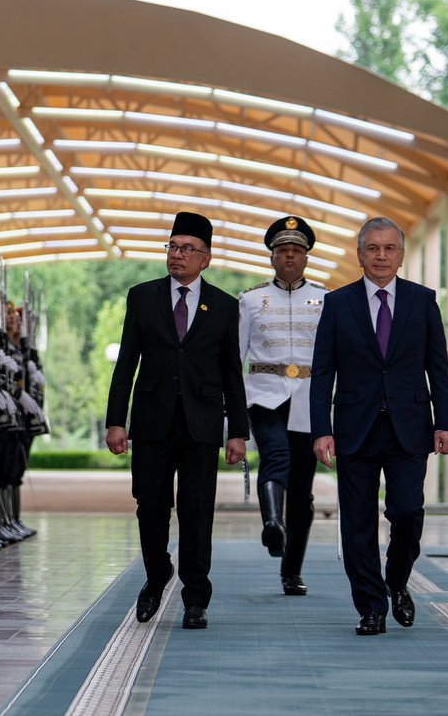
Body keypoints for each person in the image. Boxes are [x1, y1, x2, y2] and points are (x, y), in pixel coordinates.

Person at [310, 216, 448, 636]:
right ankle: (371, 607)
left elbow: (438, 368)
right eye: (372, 248)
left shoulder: (422, 301)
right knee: (357, 522)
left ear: (401, 254)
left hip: (410, 425)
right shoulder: (338, 304)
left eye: (389, 248)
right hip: (354, 427)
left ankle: (396, 583)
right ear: (360, 254)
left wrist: (444, 422)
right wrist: (322, 429)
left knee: (408, 512)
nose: (380, 256)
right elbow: (323, 373)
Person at [105, 211, 248, 630]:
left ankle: (196, 596)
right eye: (172, 246)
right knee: (150, 506)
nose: (177, 255)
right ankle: (156, 575)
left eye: (188, 249)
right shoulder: (142, 296)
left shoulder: (224, 305)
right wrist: (117, 421)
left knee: (196, 510)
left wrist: (237, 431)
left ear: (206, 258)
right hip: (151, 422)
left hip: (201, 425)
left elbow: (231, 373)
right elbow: (126, 362)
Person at [238, 216, 327, 595]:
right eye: (282, 250)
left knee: (303, 489)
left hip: (309, 396)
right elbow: (235, 356)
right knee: (275, 456)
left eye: (296, 250)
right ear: (272, 257)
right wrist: (233, 412)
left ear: (306, 257)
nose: (289, 256)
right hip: (265, 392)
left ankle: (292, 570)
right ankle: (272, 523)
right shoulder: (250, 300)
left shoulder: (326, 299)